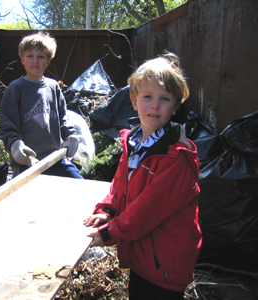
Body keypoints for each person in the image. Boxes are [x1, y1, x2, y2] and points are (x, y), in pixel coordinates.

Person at [84, 52, 202, 299]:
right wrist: (106, 209)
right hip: (142, 255)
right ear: (134, 101)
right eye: (147, 96)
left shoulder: (176, 158)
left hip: (165, 262)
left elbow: (147, 210)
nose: (155, 105)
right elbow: (120, 185)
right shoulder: (135, 141)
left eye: (165, 99)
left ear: (175, 105)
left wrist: (110, 232)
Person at [0, 32, 83, 179]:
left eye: (41, 57)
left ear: (48, 61)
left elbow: (63, 118)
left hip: (55, 160)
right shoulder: (15, 89)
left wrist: (71, 135)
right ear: (22, 59)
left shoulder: (54, 87)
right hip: (27, 162)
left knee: (80, 186)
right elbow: (7, 125)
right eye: (30, 56)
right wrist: (15, 145)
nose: (35, 61)